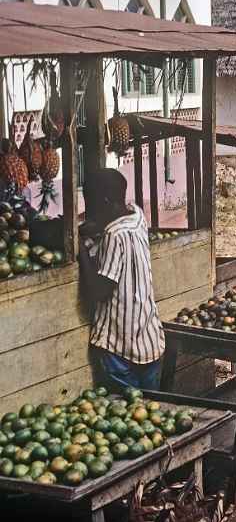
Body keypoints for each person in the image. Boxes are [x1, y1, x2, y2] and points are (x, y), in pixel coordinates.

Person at [78, 168, 165, 392]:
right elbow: (114, 220)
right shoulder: (137, 216)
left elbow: (100, 291)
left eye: (91, 203)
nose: (89, 210)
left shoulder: (113, 235)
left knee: (125, 412)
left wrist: (80, 250)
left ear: (104, 201)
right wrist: (96, 226)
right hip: (149, 340)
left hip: (120, 348)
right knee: (150, 411)